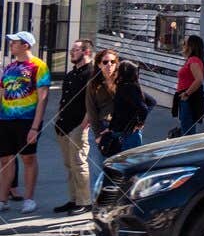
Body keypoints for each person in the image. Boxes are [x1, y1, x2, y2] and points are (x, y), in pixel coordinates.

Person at [0, 32, 51, 215]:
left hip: (27, 120)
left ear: (25, 45)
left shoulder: (39, 66)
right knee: (5, 160)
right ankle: (3, 199)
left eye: (14, 42)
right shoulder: (9, 67)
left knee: (28, 158)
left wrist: (35, 127)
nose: (11, 45)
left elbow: (43, 97)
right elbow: (1, 92)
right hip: (5, 119)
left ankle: (29, 199)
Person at [52, 39, 96, 214]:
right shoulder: (71, 74)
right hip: (64, 124)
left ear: (86, 52)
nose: (71, 52)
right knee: (69, 165)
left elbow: (93, 101)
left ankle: (85, 201)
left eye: (75, 50)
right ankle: (74, 199)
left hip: (79, 125)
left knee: (79, 163)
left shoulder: (92, 73)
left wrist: (86, 122)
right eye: (71, 50)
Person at [88, 48, 147, 156]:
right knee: (102, 167)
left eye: (113, 62)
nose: (109, 64)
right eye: (105, 62)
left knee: (127, 164)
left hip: (126, 129)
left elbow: (147, 102)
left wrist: (140, 121)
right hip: (103, 128)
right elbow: (91, 110)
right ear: (99, 64)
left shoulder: (124, 81)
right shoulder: (93, 84)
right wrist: (97, 135)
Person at [174, 35, 204, 136]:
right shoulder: (192, 60)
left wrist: (187, 94)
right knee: (187, 127)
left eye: (185, 43)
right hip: (187, 98)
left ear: (191, 46)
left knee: (187, 129)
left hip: (189, 99)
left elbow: (199, 79)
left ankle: (187, 150)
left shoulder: (193, 60)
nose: (183, 45)